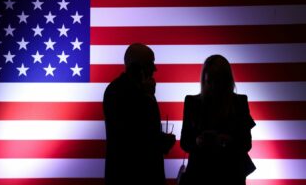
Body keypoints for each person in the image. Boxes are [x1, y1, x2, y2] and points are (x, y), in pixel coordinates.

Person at [103, 43, 176, 185]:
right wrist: (147, 96)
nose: (155, 69)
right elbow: (132, 137)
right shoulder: (116, 91)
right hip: (128, 176)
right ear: (136, 67)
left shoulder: (135, 90)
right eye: (150, 64)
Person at [179, 55, 256, 185]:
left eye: (218, 82)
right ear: (204, 80)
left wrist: (226, 141)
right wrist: (198, 142)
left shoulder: (239, 103)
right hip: (202, 174)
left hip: (229, 174)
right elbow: (185, 142)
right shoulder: (193, 102)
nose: (214, 87)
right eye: (210, 82)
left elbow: (246, 144)